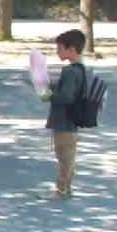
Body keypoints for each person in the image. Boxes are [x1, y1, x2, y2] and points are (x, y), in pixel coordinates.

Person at [40, 28, 87, 199]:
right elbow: (71, 90)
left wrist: (49, 95)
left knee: (64, 158)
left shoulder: (69, 71)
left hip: (64, 121)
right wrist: (52, 86)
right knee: (69, 158)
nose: (57, 52)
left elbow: (66, 97)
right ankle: (66, 189)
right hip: (73, 121)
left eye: (59, 48)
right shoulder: (81, 68)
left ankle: (61, 191)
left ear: (71, 49)